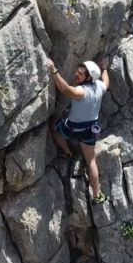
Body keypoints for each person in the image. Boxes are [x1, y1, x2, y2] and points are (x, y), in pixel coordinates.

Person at [45, 57, 109, 204]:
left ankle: (67, 152)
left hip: (73, 128)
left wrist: (54, 71)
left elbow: (65, 89)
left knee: (54, 126)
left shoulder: (82, 91)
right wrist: (104, 68)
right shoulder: (99, 86)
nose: (76, 74)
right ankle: (97, 195)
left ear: (88, 78)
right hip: (89, 130)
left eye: (80, 74)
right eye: (78, 71)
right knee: (91, 161)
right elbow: (106, 82)